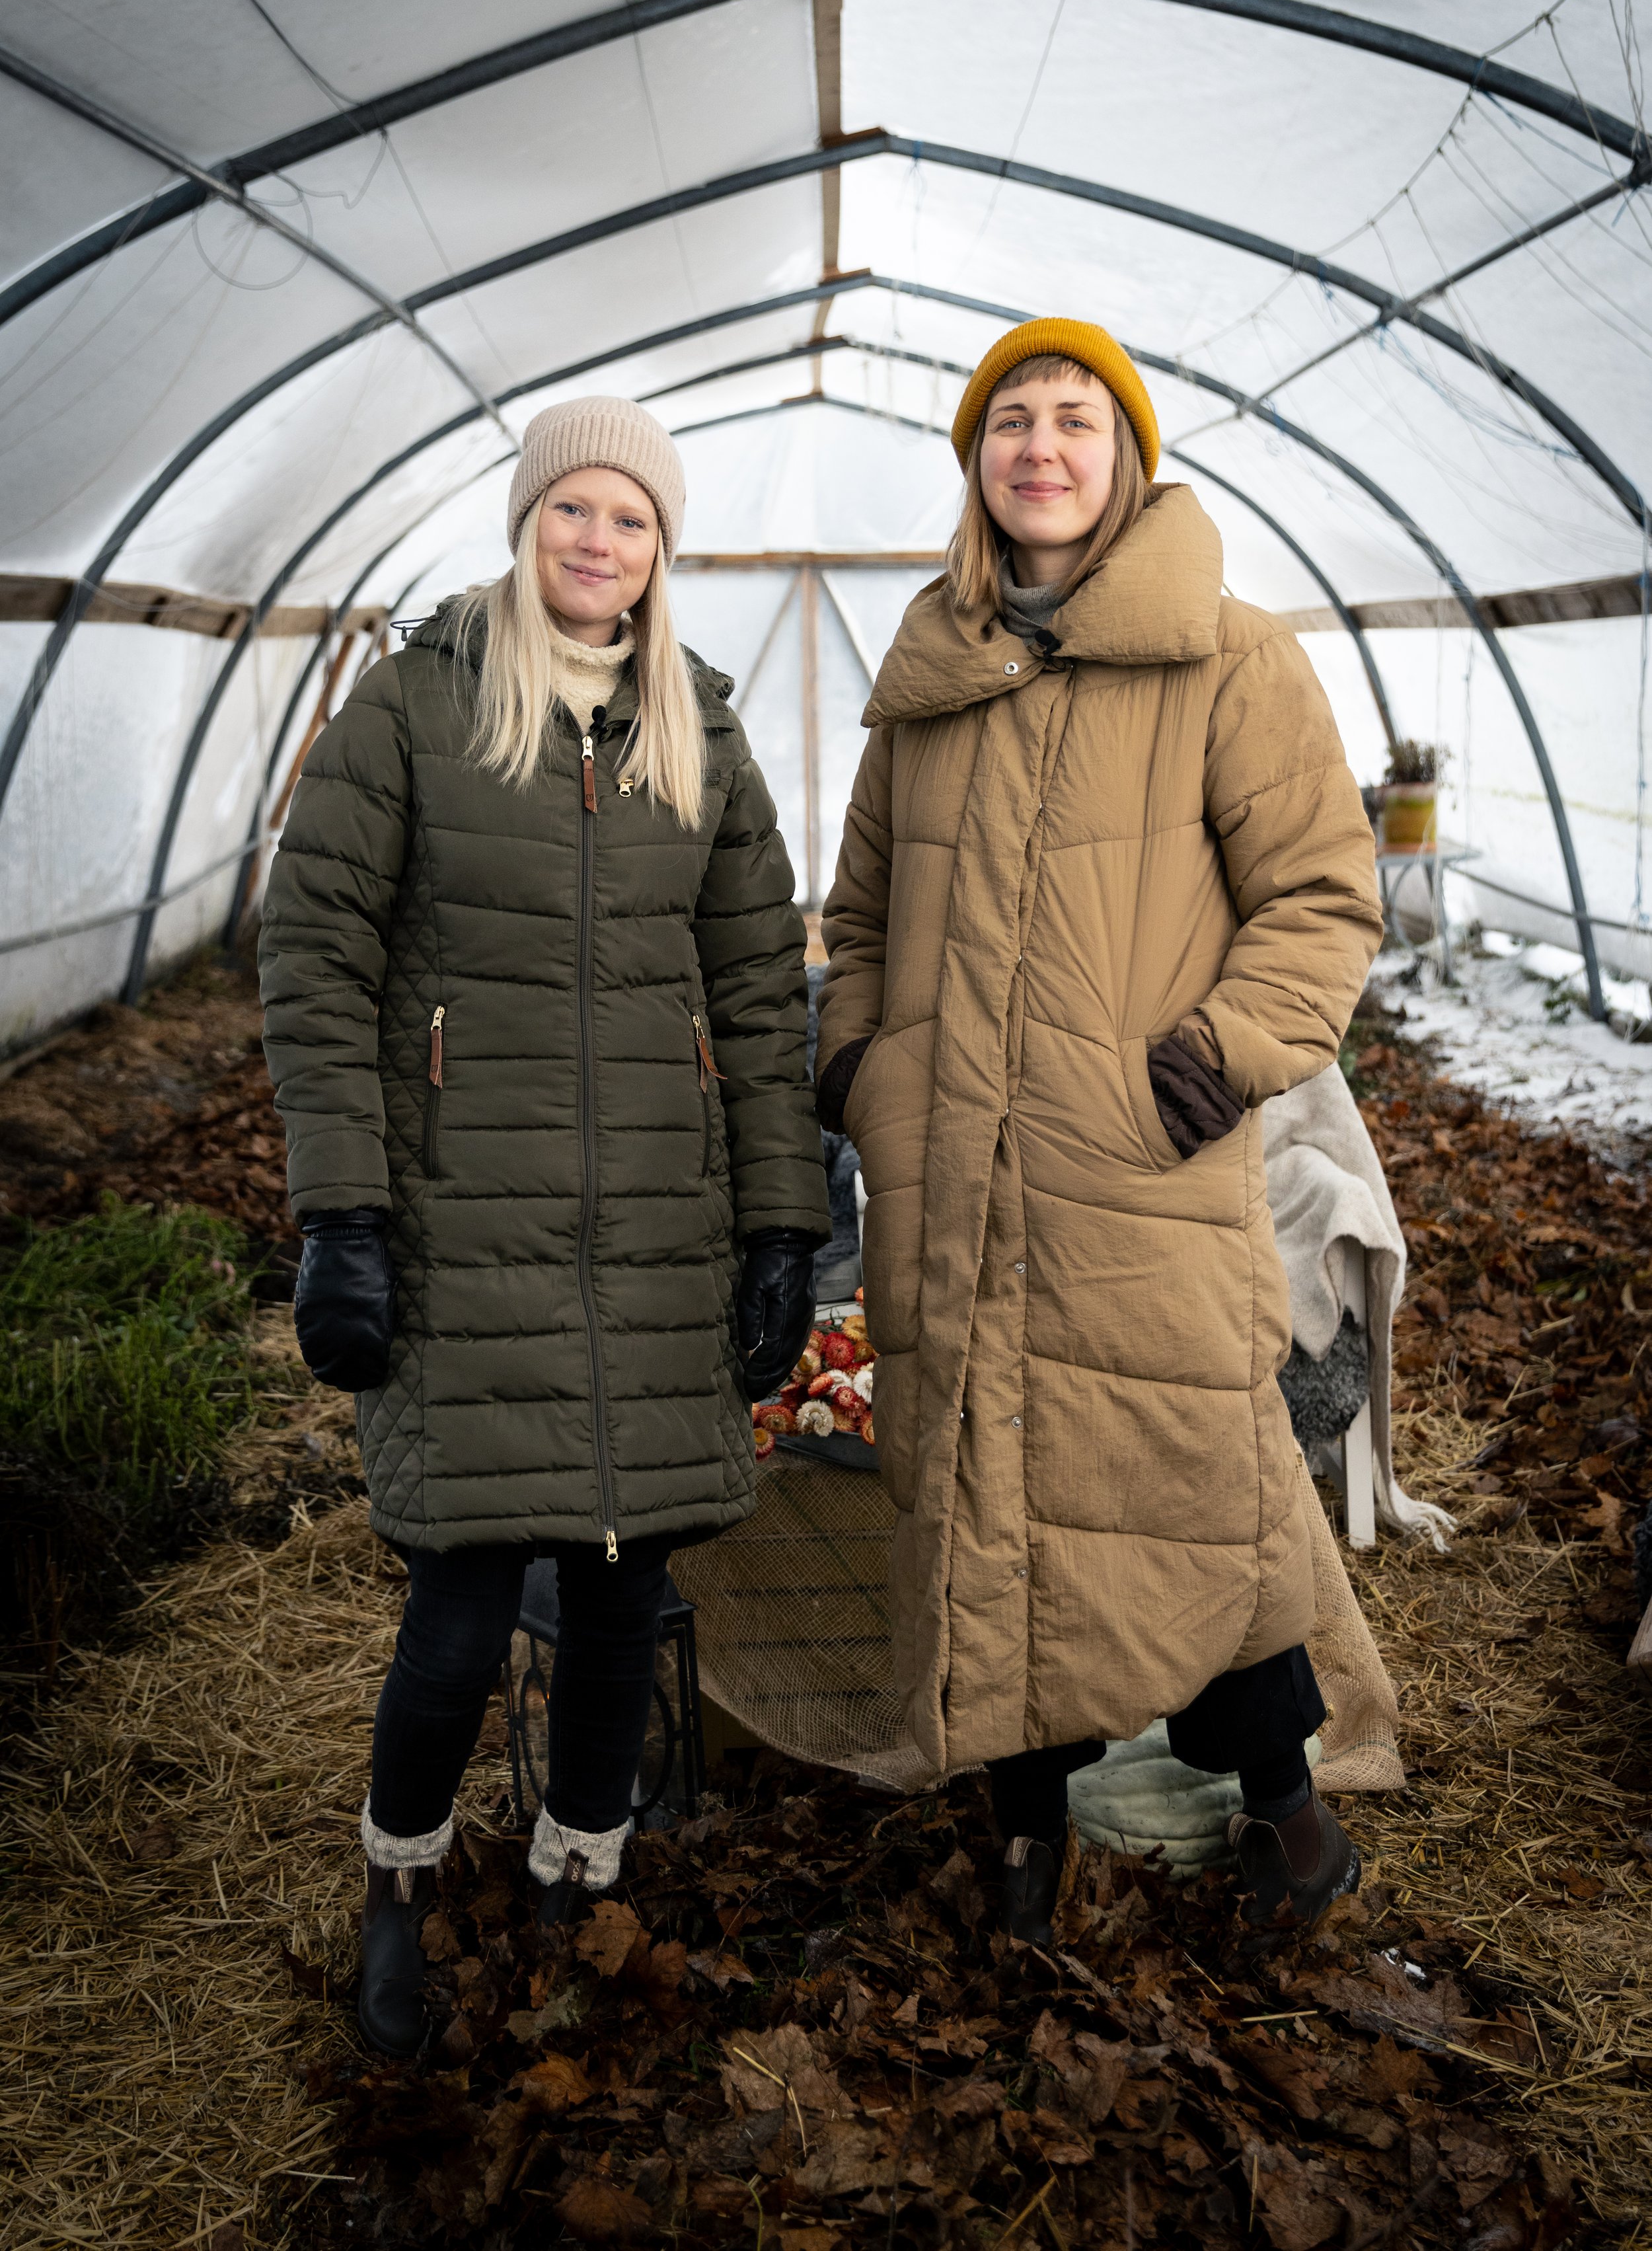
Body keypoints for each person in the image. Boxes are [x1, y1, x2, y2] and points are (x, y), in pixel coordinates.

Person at [260, 398, 829, 2057]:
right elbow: (317, 956)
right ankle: (402, 1880)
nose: (600, 543)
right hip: (464, 1224)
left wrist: (780, 1223)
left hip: (656, 1222)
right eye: (572, 511)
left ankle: (583, 1870)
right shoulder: (418, 703)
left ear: (663, 549)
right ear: (526, 528)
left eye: (630, 521)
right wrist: (343, 1213)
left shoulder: (696, 730)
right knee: (459, 1594)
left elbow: (753, 982)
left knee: (620, 1587)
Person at [815, 319, 1384, 1950]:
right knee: (985, 1510)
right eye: (1009, 423)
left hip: (1134, 1169)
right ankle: (1024, 1837)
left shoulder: (1228, 652)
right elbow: (859, 915)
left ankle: (1286, 1817)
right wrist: (860, 1063)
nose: (1038, 448)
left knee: (1190, 1500)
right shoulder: (929, 672)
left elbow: (1320, 899)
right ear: (975, 464)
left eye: (1072, 419)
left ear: (1122, 453)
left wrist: (1213, 1059)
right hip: (951, 1187)